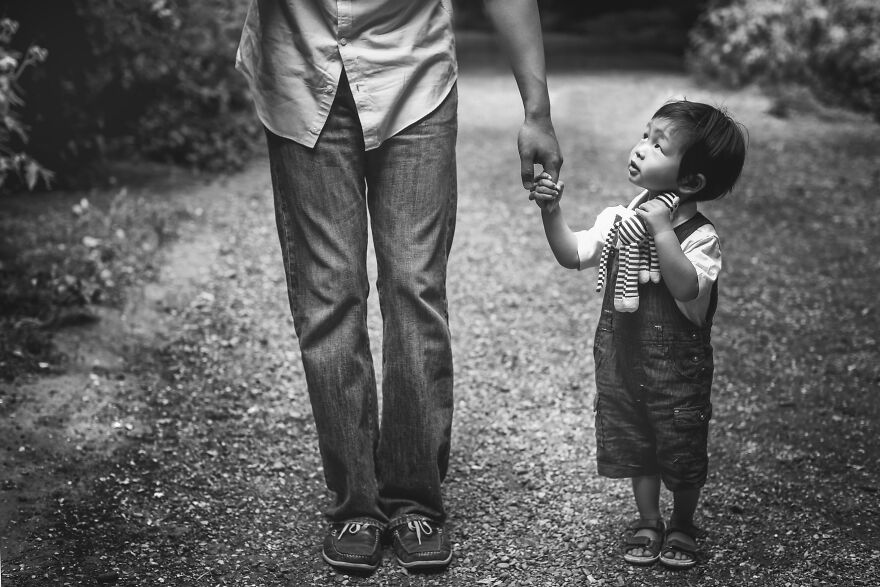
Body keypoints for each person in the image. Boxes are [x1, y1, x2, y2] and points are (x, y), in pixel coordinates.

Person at [235, 0, 562, 573]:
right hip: (299, 73)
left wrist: (537, 109)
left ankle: (415, 500)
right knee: (328, 293)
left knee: (414, 285)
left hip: (414, 78)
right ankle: (355, 504)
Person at [530, 100, 746, 568]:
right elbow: (573, 253)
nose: (641, 148)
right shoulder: (619, 221)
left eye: (658, 145)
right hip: (624, 363)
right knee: (639, 445)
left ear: (690, 182)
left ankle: (683, 523)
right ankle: (648, 519)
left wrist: (662, 230)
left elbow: (687, 285)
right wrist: (552, 210)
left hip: (677, 374)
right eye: (645, 136)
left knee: (682, 449)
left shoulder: (699, 238)